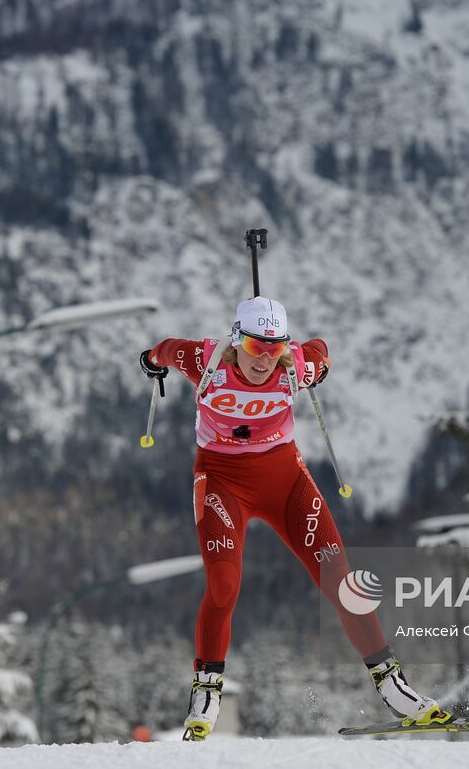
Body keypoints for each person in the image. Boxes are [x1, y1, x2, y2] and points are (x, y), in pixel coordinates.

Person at [140, 296, 448, 741]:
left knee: (342, 581)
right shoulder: (205, 360)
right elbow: (168, 348)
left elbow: (320, 349)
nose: (264, 359)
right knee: (224, 583)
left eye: (274, 348)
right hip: (222, 479)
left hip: (284, 480)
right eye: (253, 347)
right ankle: (207, 690)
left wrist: (320, 364)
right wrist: (152, 361)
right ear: (234, 341)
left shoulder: (292, 368)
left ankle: (393, 686)